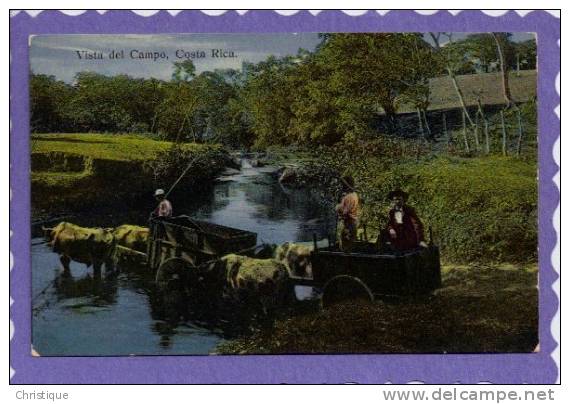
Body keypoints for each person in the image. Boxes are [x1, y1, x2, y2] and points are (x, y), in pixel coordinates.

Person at [335, 175, 360, 252]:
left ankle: (346, 260)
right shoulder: (355, 195)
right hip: (353, 222)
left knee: (345, 245)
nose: (342, 186)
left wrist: (338, 207)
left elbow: (344, 212)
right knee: (350, 243)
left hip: (348, 223)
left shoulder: (348, 197)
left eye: (343, 184)